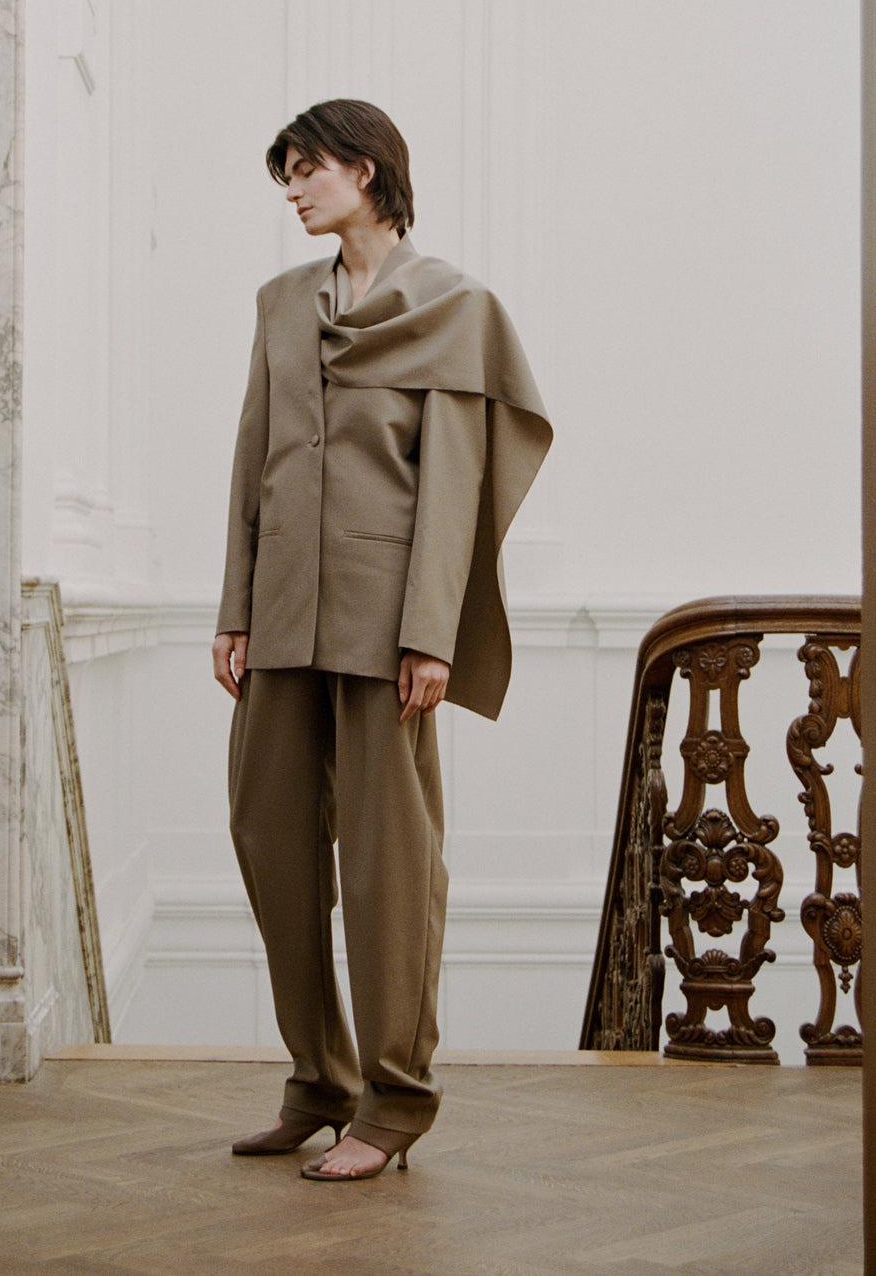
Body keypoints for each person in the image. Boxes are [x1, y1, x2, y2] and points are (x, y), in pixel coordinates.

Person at [213, 99, 552, 1181]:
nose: (295, 191)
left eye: (308, 170)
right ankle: (319, 1078)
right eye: (287, 175)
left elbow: (452, 492)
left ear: (366, 171)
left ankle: (395, 1100)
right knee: (270, 840)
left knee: (391, 869)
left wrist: (432, 637)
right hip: (282, 620)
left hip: (385, 630)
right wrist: (235, 607)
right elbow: (252, 459)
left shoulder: (454, 307)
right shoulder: (279, 304)